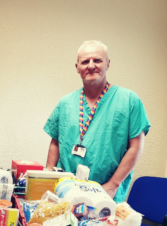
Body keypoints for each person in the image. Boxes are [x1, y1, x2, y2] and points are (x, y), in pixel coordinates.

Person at [44, 40, 150, 202]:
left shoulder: (129, 100)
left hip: (104, 193)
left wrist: (113, 185)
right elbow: (55, 142)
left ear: (107, 64)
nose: (91, 65)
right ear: (77, 67)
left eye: (97, 60)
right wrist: (48, 177)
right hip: (66, 190)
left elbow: (136, 147)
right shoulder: (65, 103)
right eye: (85, 61)